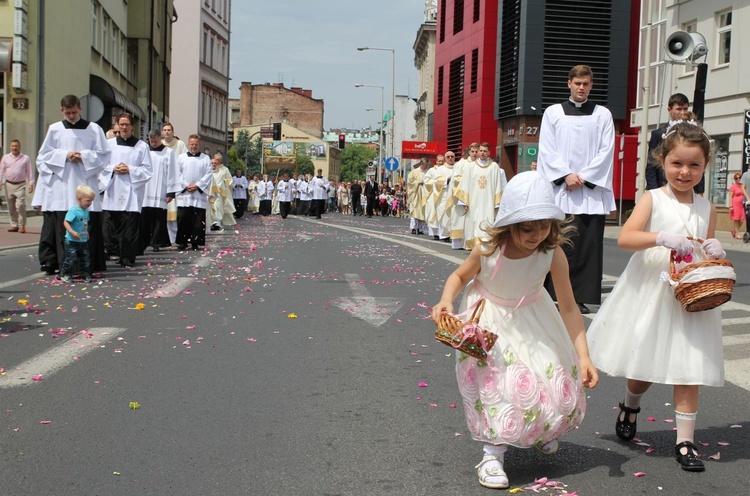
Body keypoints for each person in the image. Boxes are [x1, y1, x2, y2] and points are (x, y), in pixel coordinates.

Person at [431, 171, 598, 489]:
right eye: (526, 227)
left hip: (534, 317)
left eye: (543, 225)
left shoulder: (552, 254)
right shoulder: (488, 249)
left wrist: (584, 356)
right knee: (504, 384)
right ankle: (492, 455)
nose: (536, 234)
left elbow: (569, 306)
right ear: (508, 223)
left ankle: (541, 428)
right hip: (491, 320)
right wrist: (445, 300)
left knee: (546, 376)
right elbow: (458, 277)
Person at [587, 120, 727, 473]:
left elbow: (705, 252)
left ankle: (685, 441)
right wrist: (660, 237)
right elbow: (626, 238)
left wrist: (714, 249)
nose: (685, 172)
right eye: (677, 163)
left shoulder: (707, 208)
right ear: (662, 162)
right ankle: (631, 404)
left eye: (694, 165)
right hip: (654, 289)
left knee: (689, 366)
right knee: (645, 365)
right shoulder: (652, 199)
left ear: (704, 167)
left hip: (691, 294)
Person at [537, 64, 615, 314]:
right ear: (569, 84)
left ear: (591, 85)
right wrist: (566, 175)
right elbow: (546, 149)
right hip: (561, 190)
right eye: (577, 83)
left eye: (586, 83)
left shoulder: (602, 114)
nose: (581, 88)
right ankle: (550, 295)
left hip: (590, 193)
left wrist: (584, 177)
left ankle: (579, 297)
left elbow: (607, 150)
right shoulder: (553, 113)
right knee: (556, 242)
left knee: (586, 246)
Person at [34, 94, 110, 275]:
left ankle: (86, 267)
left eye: (74, 112)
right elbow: (43, 157)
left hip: (85, 183)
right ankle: (66, 267)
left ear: (80, 109)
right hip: (64, 187)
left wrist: (84, 156)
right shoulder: (54, 130)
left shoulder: (94, 129)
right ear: (62, 111)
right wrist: (64, 155)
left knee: (86, 229)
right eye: (68, 113)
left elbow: (104, 155)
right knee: (65, 231)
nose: (71, 116)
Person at [100, 113, 153, 268]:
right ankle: (114, 251)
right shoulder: (109, 144)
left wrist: (130, 169)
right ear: (117, 125)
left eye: (126, 124)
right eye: (121, 124)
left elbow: (148, 170)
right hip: (113, 189)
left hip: (131, 191)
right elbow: (101, 165)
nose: (124, 127)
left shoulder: (142, 146)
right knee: (110, 226)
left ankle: (127, 257)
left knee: (129, 227)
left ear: (132, 126)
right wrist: (113, 168)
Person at [453, 143, 507, 249]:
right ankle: (474, 244)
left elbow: (498, 185)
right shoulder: (471, 166)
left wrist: (497, 202)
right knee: (473, 222)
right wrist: (464, 202)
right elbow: (465, 184)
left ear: (489, 153)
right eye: (481, 151)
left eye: (485, 151)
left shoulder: (494, 167)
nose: (482, 153)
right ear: (478, 152)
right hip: (474, 202)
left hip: (489, 202)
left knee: (488, 221)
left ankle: (487, 243)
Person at [140, 129, 176, 252]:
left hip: (161, 188)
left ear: (160, 139)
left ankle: (156, 242)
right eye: (151, 141)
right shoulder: (144, 151)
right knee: (144, 217)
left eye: (155, 141)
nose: (153, 144)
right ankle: (143, 242)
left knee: (158, 217)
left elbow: (172, 172)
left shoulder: (168, 152)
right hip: (145, 189)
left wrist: (171, 192)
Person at [174, 135, 213, 250]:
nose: (194, 146)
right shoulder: (181, 158)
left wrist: (198, 185)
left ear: (199, 144)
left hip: (198, 194)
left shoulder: (205, 158)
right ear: (188, 144)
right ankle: (182, 241)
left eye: (196, 144)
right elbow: (177, 173)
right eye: (192, 144)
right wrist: (186, 185)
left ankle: (195, 242)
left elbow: (209, 174)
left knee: (197, 219)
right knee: (183, 218)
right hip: (184, 194)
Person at [647, 93, 689, 190]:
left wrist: (699, 190)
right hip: (663, 185)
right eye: (679, 109)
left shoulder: (692, 132)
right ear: (669, 110)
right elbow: (651, 164)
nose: (682, 113)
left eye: (685, 109)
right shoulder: (659, 134)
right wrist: (653, 190)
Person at [58, 185, 97, 283]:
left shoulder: (86, 211)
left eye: (91, 201)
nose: (90, 203)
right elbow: (66, 222)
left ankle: (85, 274)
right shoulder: (73, 210)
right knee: (71, 258)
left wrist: (86, 232)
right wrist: (71, 231)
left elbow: (84, 223)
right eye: (88, 200)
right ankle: (65, 274)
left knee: (85, 258)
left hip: (82, 240)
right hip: (71, 240)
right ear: (80, 199)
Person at [448, 144, 479, 249]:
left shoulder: (482, 165)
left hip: (476, 195)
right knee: (460, 218)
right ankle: (458, 243)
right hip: (462, 194)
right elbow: (456, 178)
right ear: (469, 152)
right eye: (473, 151)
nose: (475, 154)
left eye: (476, 151)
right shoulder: (460, 164)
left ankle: (471, 242)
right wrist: (468, 182)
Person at [1, 139, 35, 233]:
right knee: (11, 206)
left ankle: (22, 225)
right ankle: (14, 224)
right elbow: (1, 170)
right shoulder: (5, 157)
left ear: (19, 147)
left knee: (20, 205)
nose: (14, 148)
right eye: (13, 146)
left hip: (20, 185)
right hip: (8, 185)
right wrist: (0, 181)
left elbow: (29, 171)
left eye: (16, 146)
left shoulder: (25, 158)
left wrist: (31, 183)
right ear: (10, 147)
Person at [161, 123, 188, 244]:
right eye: (165, 130)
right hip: (162, 181)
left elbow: (185, 161)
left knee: (175, 212)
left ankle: (176, 237)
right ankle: (165, 238)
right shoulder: (159, 144)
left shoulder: (180, 144)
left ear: (173, 132)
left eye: (169, 130)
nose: (167, 132)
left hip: (176, 181)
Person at [206, 153, 236, 231]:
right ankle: (211, 223)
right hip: (210, 191)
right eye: (216, 159)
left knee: (218, 207)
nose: (216, 161)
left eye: (218, 160)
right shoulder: (208, 168)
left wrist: (224, 182)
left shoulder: (225, 169)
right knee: (210, 207)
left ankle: (217, 223)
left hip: (219, 192)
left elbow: (229, 180)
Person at [433, 151, 455, 241]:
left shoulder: (458, 168)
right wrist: (447, 179)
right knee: (444, 215)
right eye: (448, 157)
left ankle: (452, 234)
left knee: (453, 216)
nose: (450, 158)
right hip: (444, 195)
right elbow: (436, 181)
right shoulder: (440, 169)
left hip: (454, 196)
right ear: (445, 159)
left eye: (452, 156)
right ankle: (444, 235)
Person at [407, 158, 429, 234]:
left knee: (423, 212)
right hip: (416, 194)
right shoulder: (414, 172)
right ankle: (413, 228)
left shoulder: (428, 172)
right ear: (421, 164)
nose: (426, 166)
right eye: (425, 165)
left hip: (425, 194)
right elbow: (410, 183)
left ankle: (421, 229)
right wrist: (418, 182)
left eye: (427, 165)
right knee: (415, 212)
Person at [728, 172, 745, 239]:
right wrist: (731, 206)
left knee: (742, 220)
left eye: (739, 178)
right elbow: (730, 197)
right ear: (735, 179)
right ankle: (737, 233)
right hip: (735, 205)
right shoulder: (733, 187)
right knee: (736, 220)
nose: (738, 179)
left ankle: (734, 231)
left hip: (741, 205)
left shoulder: (743, 186)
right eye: (736, 178)